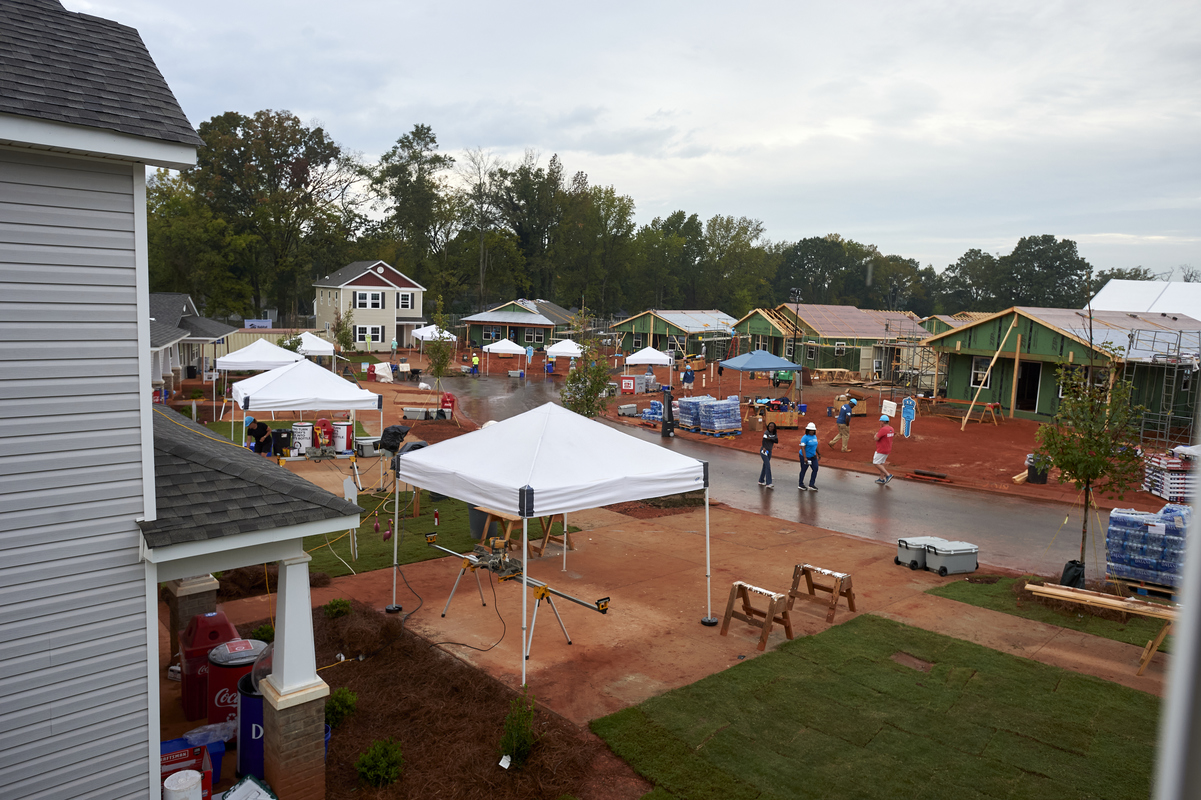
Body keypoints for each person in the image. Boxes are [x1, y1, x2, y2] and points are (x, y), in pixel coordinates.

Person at [874, 415, 895, 485]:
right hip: (887, 449)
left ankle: (888, 474)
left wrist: (875, 434)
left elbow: (876, 438)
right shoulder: (891, 428)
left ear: (883, 422)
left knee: (876, 463)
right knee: (881, 463)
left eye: (880, 421)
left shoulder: (883, 429)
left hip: (881, 450)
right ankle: (881, 479)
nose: (880, 423)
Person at [799, 421, 820, 491]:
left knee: (815, 468)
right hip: (805, 456)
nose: (812, 432)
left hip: (813, 456)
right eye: (810, 430)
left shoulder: (814, 436)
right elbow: (802, 448)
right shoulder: (805, 438)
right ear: (807, 430)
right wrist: (805, 458)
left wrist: (819, 453)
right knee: (804, 470)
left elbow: (815, 445)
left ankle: (811, 484)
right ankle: (801, 484)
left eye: (813, 430)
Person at [758, 422, 778, 488]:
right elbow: (763, 440)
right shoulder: (766, 433)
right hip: (764, 451)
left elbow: (776, 441)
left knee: (765, 466)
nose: (770, 428)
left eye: (772, 427)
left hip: (769, 451)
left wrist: (770, 439)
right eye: (769, 426)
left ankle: (761, 480)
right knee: (768, 466)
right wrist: (764, 447)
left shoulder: (774, 434)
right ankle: (768, 483)